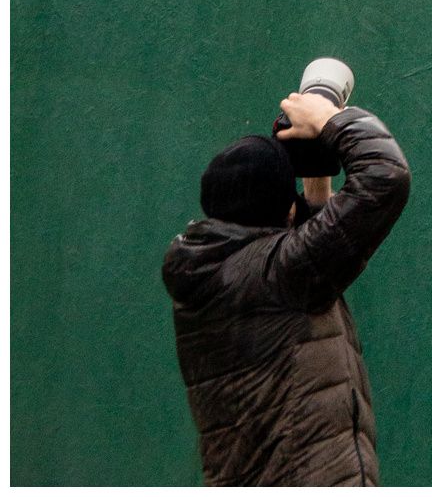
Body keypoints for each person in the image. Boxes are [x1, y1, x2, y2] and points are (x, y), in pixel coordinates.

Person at [162, 75, 411, 486]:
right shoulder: (278, 276)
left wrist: (316, 174)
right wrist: (332, 119)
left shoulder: (213, 271)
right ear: (287, 215)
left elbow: (307, 255)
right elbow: (386, 177)